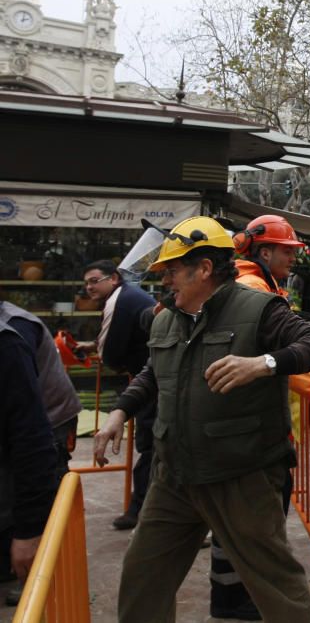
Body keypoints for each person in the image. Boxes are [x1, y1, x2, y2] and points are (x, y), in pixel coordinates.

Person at [93, 216, 310, 622]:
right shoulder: (169, 318)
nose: (166, 281)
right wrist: (121, 411)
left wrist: (264, 363)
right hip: (174, 477)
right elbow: (156, 372)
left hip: (241, 475)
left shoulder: (259, 308)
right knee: (142, 579)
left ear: (204, 268)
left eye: (172, 271)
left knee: (276, 586)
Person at [211, 214, 310, 621]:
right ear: (263, 252)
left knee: (233, 521)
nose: (293, 258)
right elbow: (286, 355)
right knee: (254, 524)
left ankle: (229, 596)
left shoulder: (253, 283)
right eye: (287, 250)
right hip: (250, 430)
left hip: (241, 424)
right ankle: (240, 599)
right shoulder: (253, 289)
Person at [77, 260, 157, 531]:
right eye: (86, 282)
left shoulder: (119, 301)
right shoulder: (127, 295)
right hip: (150, 379)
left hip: (152, 383)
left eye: (94, 280)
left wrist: (114, 361)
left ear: (113, 278)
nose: (89, 287)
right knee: (151, 446)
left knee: (151, 447)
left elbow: (109, 353)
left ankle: (144, 510)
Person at [0, 302, 65, 607]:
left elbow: (32, 439)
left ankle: (37, 570)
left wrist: (28, 531)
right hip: (29, 422)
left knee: (51, 496)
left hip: (52, 415)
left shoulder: (11, 336)